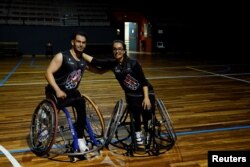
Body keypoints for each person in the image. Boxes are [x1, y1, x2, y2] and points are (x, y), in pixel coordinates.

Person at [87, 40, 156, 145]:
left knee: (147, 112)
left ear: (124, 51)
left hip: (145, 91)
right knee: (135, 114)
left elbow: (143, 81)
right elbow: (98, 65)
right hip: (132, 94)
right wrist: (83, 63)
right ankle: (137, 133)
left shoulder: (133, 63)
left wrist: (146, 98)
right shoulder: (113, 64)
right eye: (114, 49)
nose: (117, 51)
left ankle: (148, 132)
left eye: (119, 49)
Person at [44, 31, 102, 153]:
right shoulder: (62, 56)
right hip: (55, 91)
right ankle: (45, 124)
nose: (81, 44)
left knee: (81, 103)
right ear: (73, 42)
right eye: (78, 41)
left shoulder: (83, 61)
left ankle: (80, 139)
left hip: (70, 92)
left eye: (83, 42)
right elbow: (48, 73)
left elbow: (98, 71)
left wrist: (114, 66)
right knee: (55, 108)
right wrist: (58, 90)